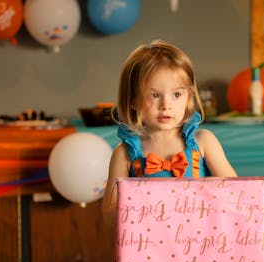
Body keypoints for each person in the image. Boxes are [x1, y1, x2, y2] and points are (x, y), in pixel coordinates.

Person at [102, 39, 237, 218]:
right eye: (155, 95)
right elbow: (110, 214)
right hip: (148, 243)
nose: (166, 105)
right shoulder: (124, 154)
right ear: (133, 101)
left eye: (177, 94)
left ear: (188, 97)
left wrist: (210, 188)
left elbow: (236, 193)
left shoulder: (203, 142)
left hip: (200, 241)